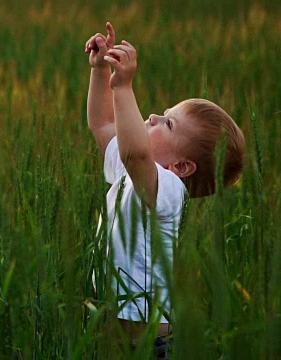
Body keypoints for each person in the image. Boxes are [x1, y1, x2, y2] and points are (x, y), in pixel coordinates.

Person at [84, 22, 245, 358]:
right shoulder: (132, 174)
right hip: (121, 340)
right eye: (164, 113)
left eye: (168, 123)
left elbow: (136, 151)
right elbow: (104, 126)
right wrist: (100, 72)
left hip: (153, 347)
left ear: (182, 167)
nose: (154, 116)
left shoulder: (168, 192)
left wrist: (124, 87)